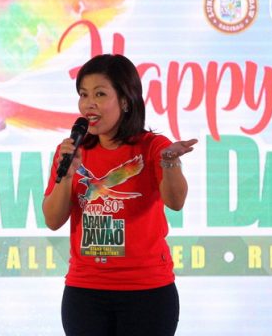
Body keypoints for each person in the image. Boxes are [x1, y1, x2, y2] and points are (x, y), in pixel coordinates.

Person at [43, 54, 197, 336]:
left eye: (100, 94)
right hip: (85, 291)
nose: (89, 103)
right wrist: (65, 175)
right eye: (83, 94)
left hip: (147, 292)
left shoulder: (152, 147)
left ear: (125, 101)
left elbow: (176, 202)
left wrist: (170, 162)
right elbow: (53, 220)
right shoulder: (71, 151)